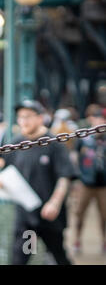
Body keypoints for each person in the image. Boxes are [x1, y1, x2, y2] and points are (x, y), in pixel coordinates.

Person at [0, 100, 77, 265]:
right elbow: (6, 166)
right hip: (27, 217)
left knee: (58, 256)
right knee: (21, 258)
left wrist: (55, 203)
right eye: (20, 117)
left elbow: (65, 175)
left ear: (40, 118)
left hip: (50, 216)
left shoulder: (53, 143)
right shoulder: (17, 142)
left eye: (28, 116)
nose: (23, 121)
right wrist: (0, 178)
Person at [73, 105, 105, 254]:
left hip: (103, 184)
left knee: (104, 216)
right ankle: (77, 241)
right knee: (79, 213)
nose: (99, 122)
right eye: (97, 118)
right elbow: (75, 156)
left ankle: (104, 243)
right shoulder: (85, 137)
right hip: (86, 182)